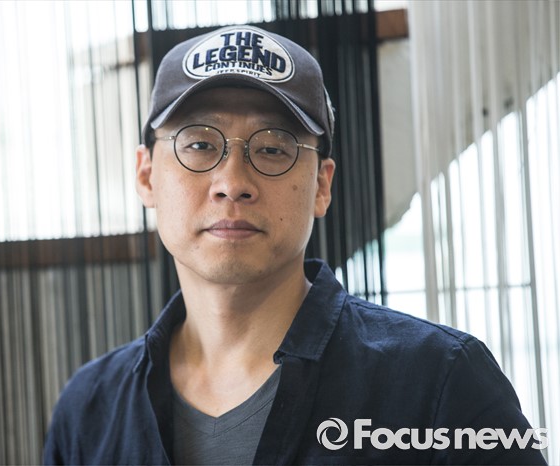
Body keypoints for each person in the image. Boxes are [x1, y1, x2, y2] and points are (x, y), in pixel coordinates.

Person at [43, 24, 547, 465]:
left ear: (322, 185)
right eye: (198, 144)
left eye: (271, 148)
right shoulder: (91, 409)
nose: (232, 183)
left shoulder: (439, 383)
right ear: (146, 175)